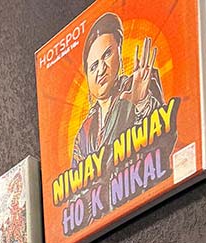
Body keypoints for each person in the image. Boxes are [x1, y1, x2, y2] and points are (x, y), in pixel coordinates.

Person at [71, 17, 166, 166]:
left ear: (119, 52)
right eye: (94, 66)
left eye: (107, 54)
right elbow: (77, 178)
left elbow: (163, 142)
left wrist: (142, 103)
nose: (101, 69)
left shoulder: (139, 85)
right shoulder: (84, 133)